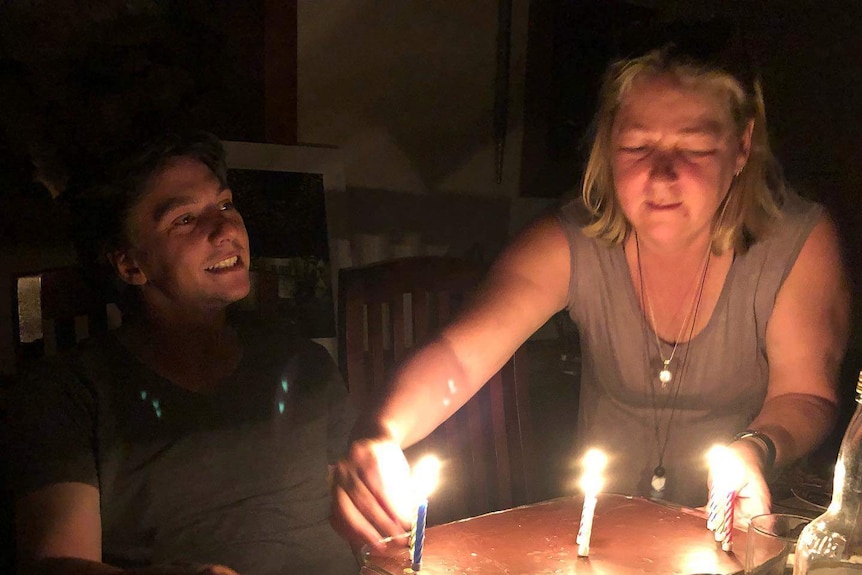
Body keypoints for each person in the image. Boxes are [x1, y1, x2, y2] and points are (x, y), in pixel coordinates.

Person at [330, 43, 850, 548]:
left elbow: (805, 393)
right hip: (600, 542)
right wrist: (381, 430)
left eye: (694, 148)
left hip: (741, 540)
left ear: (740, 148)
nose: (662, 174)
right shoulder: (572, 241)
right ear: (608, 145)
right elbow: (459, 358)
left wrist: (754, 449)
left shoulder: (797, 243)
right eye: (637, 146)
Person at [7, 131, 358, 574]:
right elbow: (56, 565)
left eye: (226, 205)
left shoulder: (304, 365)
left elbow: (356, 512)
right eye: (185, 219)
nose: (228, 230)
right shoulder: (69, 393)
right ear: (130, 264)